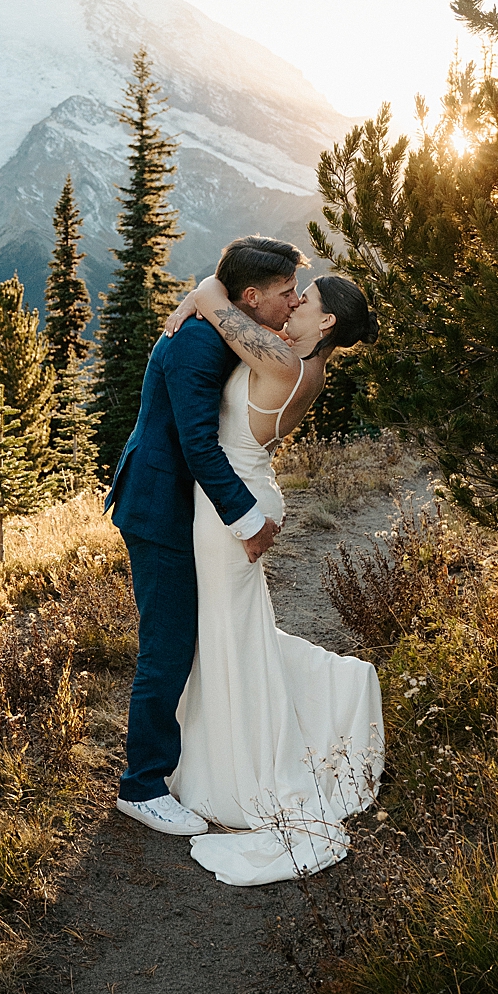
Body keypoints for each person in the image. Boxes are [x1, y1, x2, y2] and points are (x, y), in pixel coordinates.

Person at [160, 262, 384, 885]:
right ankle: (227, 744)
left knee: (227, 634)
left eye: (303, 297)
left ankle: (234, 770)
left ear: (327, 319)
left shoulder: (287, 365)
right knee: (232, 631)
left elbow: (217, 301)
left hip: (233, 503)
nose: (294, 301)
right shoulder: (296, 359)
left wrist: (200, 293)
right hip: (243, 492)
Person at [104, 237, 305, 837]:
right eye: (285, 292)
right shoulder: (197, 340)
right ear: (250, 297)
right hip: (159, 505)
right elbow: (198, 442)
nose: (294, 301)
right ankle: (141, 786)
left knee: (181, 638)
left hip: (178, 505)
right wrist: (247, 520)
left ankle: (177, 761)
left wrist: (205, 292)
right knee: (165, 645)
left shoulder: (222, 319)